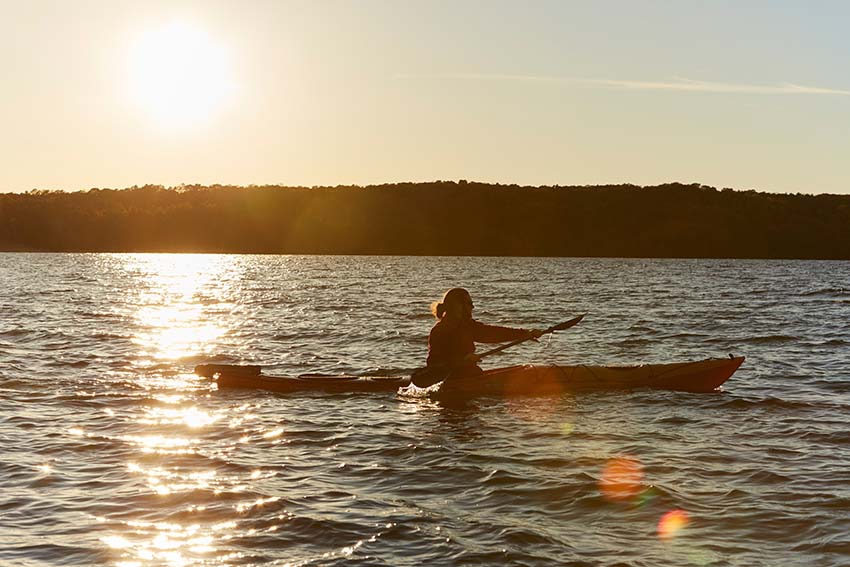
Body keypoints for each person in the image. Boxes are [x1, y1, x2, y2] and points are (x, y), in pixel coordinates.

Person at [424, 287, 543, 380]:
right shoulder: (440, 331)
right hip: (453, 379)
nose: (473, 307)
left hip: (470, 375)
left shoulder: (467, 326)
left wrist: (525, 334)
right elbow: (434, 363)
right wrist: (460, 361)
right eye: (469, 303)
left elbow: (493, 333)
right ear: (458, 306)